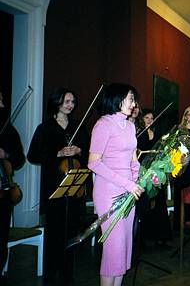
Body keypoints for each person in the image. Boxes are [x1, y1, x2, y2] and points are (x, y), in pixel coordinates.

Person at [27, 88, 88, 284]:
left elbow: (89, 152)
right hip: (54, 186)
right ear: (57, 103)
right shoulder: (45, 128)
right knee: (54, 232)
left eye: (72, 102)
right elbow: (33, 155)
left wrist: (80, 150)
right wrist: (58, 154)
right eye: (66, 101)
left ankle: (68, 273)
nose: (70, 105)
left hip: (75, 189)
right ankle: (51, 273)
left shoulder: (78, 126)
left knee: (72, 233)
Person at [88, 83, 144, 286]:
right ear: (117, 99)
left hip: (129, 190)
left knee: (124, 248)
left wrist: (139, 179)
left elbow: (132, 159)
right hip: (109, 192)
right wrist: (127, 184)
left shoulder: (130, 126)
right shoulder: (103, 124)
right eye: (130, 99)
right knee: (113, 248)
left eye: (133, 99)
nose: (134, 103)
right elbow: (94, 163)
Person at [135, 108, 172, 247]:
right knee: (144, 204)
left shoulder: (158, 134)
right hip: (143, 174)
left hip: (156, 173)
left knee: (160, 203)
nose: (150, 120)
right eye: (147, 118)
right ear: (142, 119)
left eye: (152, 118)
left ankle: (161, 237)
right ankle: (143, 238)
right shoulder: (137, 135)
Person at [0, 92, 25, 286]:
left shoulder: (7, 129)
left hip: (3, 190)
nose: (1, 103)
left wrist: (5, 153)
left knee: (1, 237)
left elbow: (19, 158)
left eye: (1, 99)